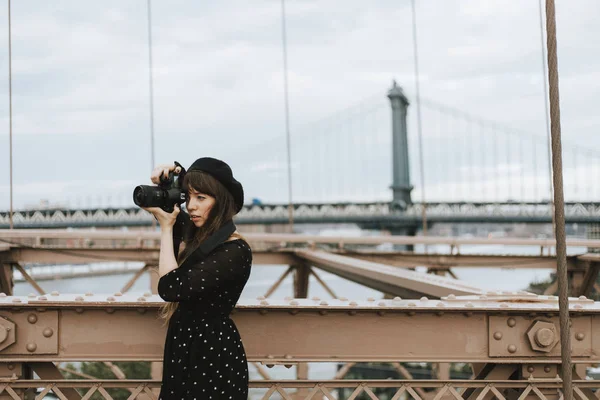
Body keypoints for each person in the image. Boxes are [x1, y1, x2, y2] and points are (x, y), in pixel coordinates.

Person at [143, 157, 252, 399]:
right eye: (188, 197)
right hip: (184, 347)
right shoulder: (202, 237)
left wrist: (165, 229)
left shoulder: (234, 251)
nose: (191, 206)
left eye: (201, 198)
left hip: (213, 355)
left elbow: (171, 288)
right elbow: (169, 212)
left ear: (221, 202)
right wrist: (166, 183)